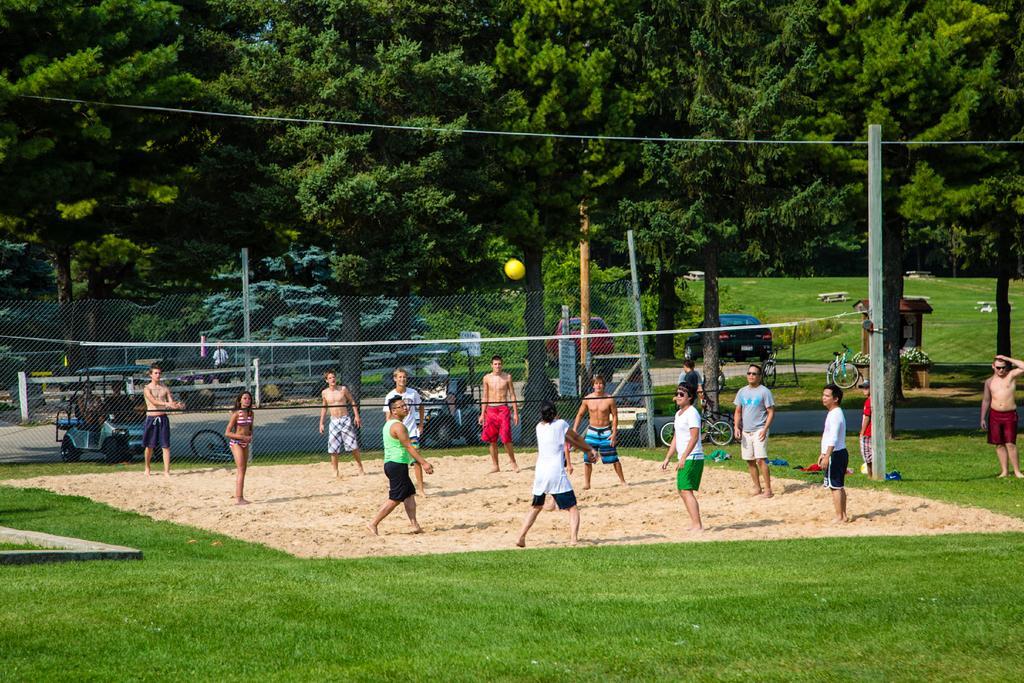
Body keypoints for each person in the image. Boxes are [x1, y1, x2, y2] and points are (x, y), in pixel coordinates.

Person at [515, 401, 597, 548]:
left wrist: (586, 450)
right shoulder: (561, 424)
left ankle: (521, 537)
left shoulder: (539, 427)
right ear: (555, 413)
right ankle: (573, 539)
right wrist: (590, 449)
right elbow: (575, 438)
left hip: (540, 472)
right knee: (572, 507)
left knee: (536, 507)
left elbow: (569, 440)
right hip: (555, 472)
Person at [368, 396, 434, 535]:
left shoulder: (389, 424)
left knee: (409, 494)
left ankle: (415, 525)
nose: (406, 408)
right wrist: (424, 463)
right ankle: (373, 523)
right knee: (395, 499)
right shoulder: (398, 426)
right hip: (396, 464)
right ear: (393, 411)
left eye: (405, 405)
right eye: (401, 406)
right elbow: (409, 447)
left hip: (395, 464)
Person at [570, 374, 626, 489]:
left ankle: (622, 481)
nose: (598, 385)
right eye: (596, 383)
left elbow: (615, 416)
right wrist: (575, 430)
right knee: (588, 459)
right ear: (593, 385)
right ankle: (587, 483)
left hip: (606, 431)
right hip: (592, 432)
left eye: (600, 383)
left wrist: (614, 433)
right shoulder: (587, 399)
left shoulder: (609, 399)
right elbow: (579, 415)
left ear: (604, 385)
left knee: (614, 458)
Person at [661, 383, 704, 531]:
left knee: (686, 490)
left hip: (693, 456)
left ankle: (697, 525)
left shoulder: (692, 413)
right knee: (682, 490)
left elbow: (694, 437)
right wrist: (668, 457)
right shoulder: (678, 414)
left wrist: (684, 457)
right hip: (685, 457)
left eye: (681, 394)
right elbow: (676, 437)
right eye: (677, 393)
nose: (678, 396)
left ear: (690, 397)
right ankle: (694, 523)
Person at [733, 363, 776, 498]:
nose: (751, 376)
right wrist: (736, 426)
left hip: (759, 430)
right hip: (746, 431)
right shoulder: (742, 391)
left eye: (754, 374)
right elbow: (738, 411)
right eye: (749, 373)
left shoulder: (764, 391)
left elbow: (771, 412)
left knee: (760, 459)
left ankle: (768, 490)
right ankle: (757, 487)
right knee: (750, 460)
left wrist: (765, 428)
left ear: (759, 376)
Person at [383, 367, 426, 494]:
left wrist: (421, 424)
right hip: (397, 434)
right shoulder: (390, 396)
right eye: (400, 377)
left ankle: (421, 489)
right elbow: (388, 416)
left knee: (416, 459)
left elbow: (421, 406)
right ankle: (398, 484)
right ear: (395, 379)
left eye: (404, 377)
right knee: (398, 460)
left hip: (411, 431)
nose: (402, 379)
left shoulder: (413, 393)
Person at [981, 355, 1024, 478]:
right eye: (998, 368)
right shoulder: (989, 382)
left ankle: (1017, 471)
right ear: (993, 367)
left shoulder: (1010, 376)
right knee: (999, 444)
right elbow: (986, 400)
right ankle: (1004, 471)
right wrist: (983, 418)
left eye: (1003, 367)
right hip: (995, 415)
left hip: (1010, 414)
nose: (1001, 370)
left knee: (1010, 443)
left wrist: (1007, 358)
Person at [318, 369, 363, 477]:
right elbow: (324, 408)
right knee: (333, 447)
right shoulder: (325, 393)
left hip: (345, 419)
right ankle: (335, 470)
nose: (332, 379)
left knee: (353, 445)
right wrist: (321, 423)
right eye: (330, 378)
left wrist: (356, 416)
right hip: (334, 421)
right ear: (326, 380)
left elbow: (352, 401)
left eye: (333, 377)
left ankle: (360, 466)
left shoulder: (343, 389)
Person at [478, 355, 519, 473]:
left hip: (503, 409)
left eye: (499, 364)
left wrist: (515, 413)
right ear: (491, 365)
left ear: (502, 364)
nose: (497, 366)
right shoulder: (486, 378)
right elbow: (485, 396)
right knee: (492, 440)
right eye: (495, 364)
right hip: (490, 410)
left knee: (506, 438)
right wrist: (482, 414)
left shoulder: (507, 377)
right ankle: (495, 465)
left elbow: (512, 395)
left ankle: (513, 462)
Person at [143, 363, 184, 477]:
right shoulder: (147, 389)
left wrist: (177, 405)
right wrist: (167, 403)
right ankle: (147, 467)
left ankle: (166, 471)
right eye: (155, 373)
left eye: (159, 373)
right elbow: (154, 402)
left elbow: (171, 403)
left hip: (163, 418)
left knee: (165, 446)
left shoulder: (165, 388)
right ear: (151, 375)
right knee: (149, 446)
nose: (158, 375)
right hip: (151, 418)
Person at [819, 384, 849, 523]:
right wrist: (822, 452)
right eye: (823, 395)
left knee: (835, 487)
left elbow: (834, 437)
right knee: (838, 486)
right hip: (837, 452)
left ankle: (839, 516)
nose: (823, 398)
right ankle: (843, 515)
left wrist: (827, 456)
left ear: (835, 398)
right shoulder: (833, 413)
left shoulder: (836, 414)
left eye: (827, 396)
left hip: (836, 454)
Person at [224, 391, 255, 505]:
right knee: (241, 469)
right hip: (236, 442)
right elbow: (227, 433)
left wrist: (250, 436)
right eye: (245, 398)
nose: (247, 400)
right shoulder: (236, 414)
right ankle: (239, 498)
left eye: (249, 398)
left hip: (245, 443)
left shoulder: (251, 413)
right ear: (240, 400)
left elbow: (250, 428)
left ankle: (240, 496)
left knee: (244, 469)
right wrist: (242, 437)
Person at [858, 380, 873, 478]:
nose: (864, 389)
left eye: (867, 387)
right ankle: (871, 474)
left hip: (868, 433)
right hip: (871, 432)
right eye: (863, 387)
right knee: (871, 455)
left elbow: (867, 417)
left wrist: (862, 432)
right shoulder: (872, 400)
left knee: (867, 455)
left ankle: (870, 475)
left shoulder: (869, 401)